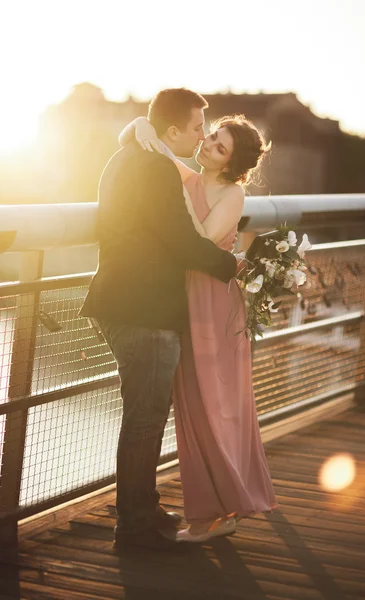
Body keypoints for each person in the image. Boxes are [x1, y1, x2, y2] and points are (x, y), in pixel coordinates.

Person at [79, 88, 244, 552]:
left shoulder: (127, 156)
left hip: (123, 300)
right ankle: (133, 528)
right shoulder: (154, 167)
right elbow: (178, 240)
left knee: (145, 418)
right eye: (197, 128)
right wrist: (229, 265)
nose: (200, 136)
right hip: (143, 307)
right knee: (144, 423)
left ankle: (144, 510)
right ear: (172, 131)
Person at [120, 111, 278, 543]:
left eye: (220, 146)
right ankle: (208, 510)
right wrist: (141, 123)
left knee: (216, 405)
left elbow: (204, 241)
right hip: (183, 302)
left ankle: (227, 507)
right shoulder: (187, 177)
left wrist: (177, 196)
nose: (208, 144)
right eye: (210, 137)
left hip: (215, 305)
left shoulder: (232, 194)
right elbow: (134, 136)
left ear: (232, 163)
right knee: (189, 405)